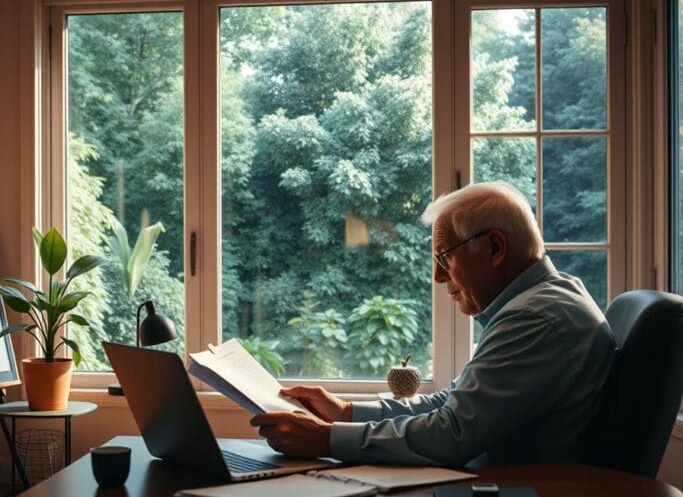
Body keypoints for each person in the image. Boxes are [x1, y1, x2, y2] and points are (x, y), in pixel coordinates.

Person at [251, 181, 616, 468]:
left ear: (494, 248)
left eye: (444, 257)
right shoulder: (549, 298)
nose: (438, 277)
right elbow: (452, 404)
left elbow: (453, 433)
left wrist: (326, 439)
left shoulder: (533, 319)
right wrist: (347, 412)